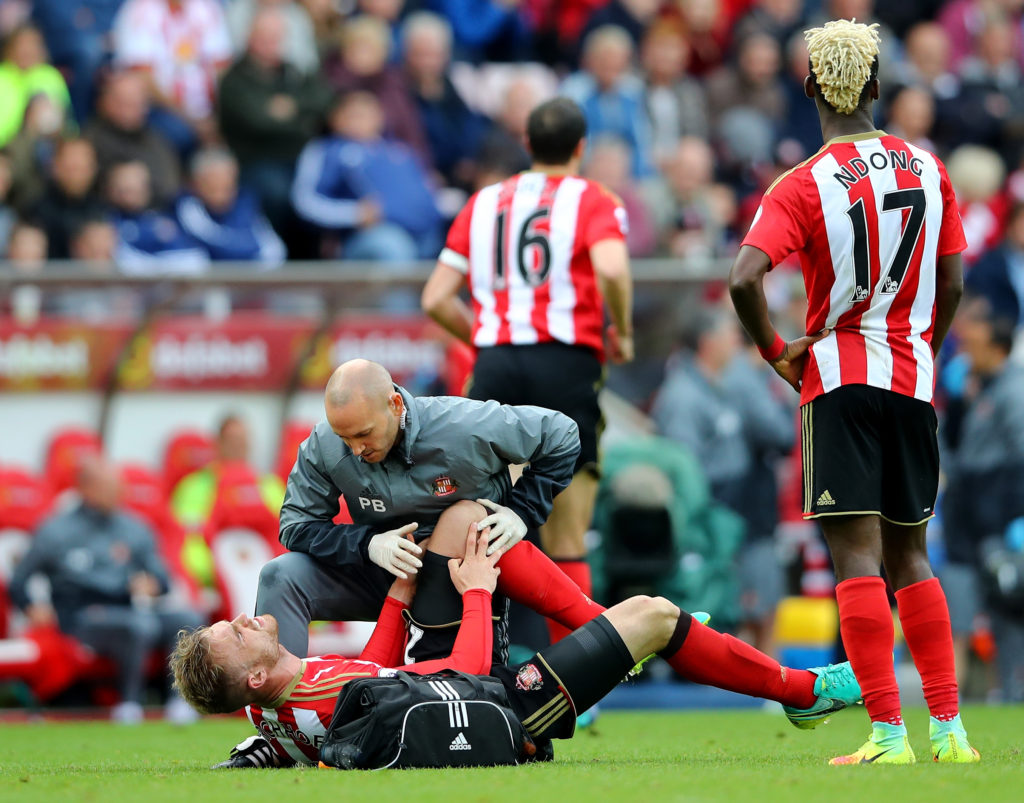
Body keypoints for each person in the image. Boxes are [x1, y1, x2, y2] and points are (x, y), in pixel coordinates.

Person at [727, 19, 979, 765]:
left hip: (838, 378)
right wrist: (921, 348)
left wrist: (776, 353)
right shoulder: (930, 169)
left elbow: (744, 277)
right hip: (912, 380)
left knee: (857, 561)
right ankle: (951, 731)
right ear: (877, 87)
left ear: (809, 88)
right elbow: (955, 279)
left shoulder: (800, 184)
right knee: (914, 557)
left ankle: (888, 733)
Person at [172, 525, 862, 767]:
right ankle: (802, 692)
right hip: (511, 706)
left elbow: (377, 670)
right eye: (233, 635)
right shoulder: (317, 690)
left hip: (475, 701)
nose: (240, 619)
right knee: (653, 612)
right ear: (256, 677)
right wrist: (473, 590)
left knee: (638, 613)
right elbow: (463, 676)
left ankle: (614, 629)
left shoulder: (270, 710)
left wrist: (397, 597)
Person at [421, 97, 635, 645]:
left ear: (528, 145)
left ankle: (484, 658)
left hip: (495, 366)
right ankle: (579, 681)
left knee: (482, 520)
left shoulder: (484, 201)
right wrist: (624, 331)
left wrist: (489, 338)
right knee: (567, 531)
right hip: (566, 364)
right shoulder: (591, 198)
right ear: (580, 148)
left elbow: (436, 297)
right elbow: (610, 265)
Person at [9, 453, 205, 724]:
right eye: (109, 486)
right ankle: (129, 704)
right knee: (138, 626)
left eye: (119, 486)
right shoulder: (56, 530)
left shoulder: (133, 527)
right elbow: (19, 580)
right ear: (85, 488)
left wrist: (152, 584)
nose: (118, 493)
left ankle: (179, 700)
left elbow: (162, 578)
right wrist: (31, 607)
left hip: (126, 605)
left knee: (188, 619)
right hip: (80, 615)